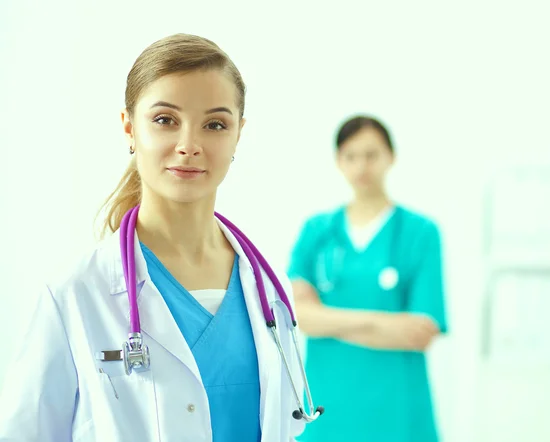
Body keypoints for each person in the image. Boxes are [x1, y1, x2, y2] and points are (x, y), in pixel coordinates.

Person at [0, 34, 308, 442]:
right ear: (129, 127)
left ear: (238, 134)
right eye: (165, 120)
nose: (189, 145)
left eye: (215, 124)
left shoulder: (270, 288)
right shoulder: (76, 294)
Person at [288, 115, 448, 442]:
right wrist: (388, 325)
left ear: (391, 157)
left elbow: (421, 332)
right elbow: (298, 317)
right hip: (328, 402)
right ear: (338, 162)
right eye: (351, 156)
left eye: (372, 155)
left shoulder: (420, 233)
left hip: (397, 405)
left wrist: (327, 318)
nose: (362, 166)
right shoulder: (317, 231)